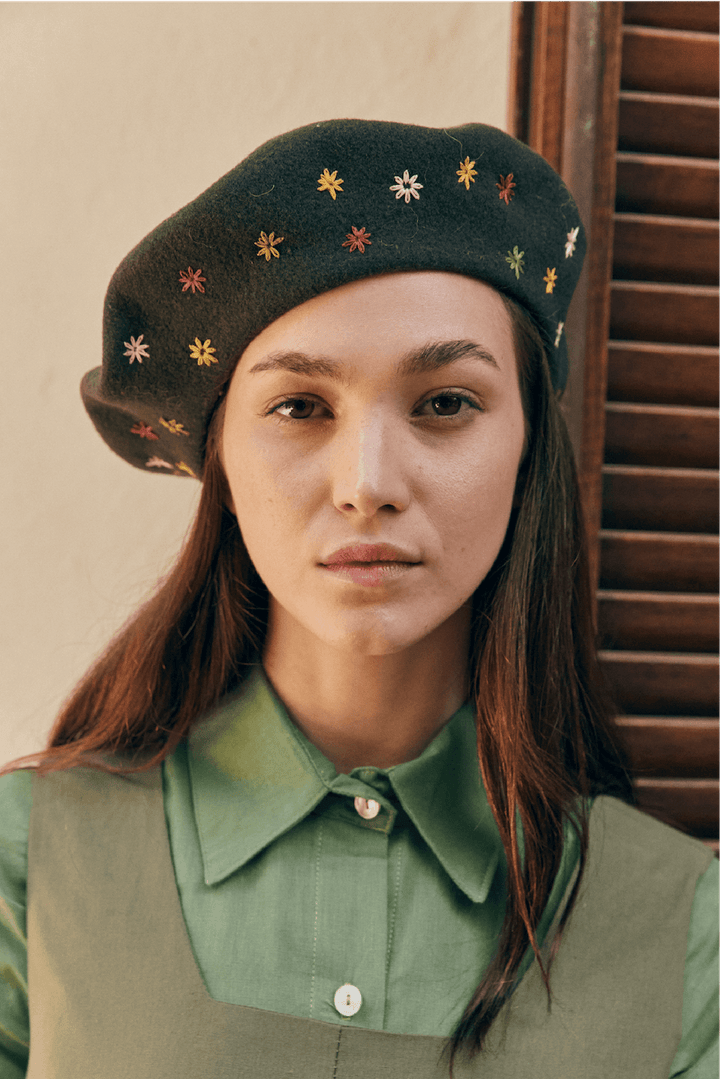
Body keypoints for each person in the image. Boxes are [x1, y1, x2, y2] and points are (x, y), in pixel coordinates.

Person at [0, 119, 716, 1079]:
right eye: (300, 407)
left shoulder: (687, 927)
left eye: (445, 403)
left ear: (529, 443)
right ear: (221, 458)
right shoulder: (27, 865)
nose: (367, 480)